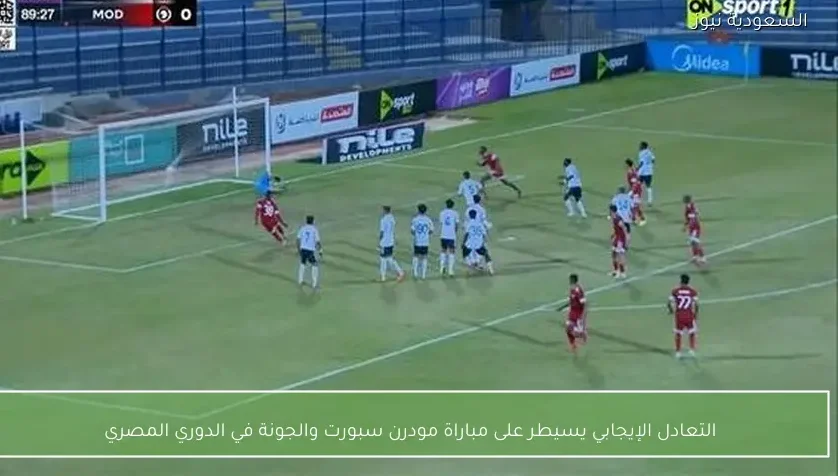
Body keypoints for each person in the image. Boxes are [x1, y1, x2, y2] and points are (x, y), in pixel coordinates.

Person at [667, 273, 699, 359]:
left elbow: (669, 302)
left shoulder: (675, 291)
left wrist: (671, 310)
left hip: (679, 315)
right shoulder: (692, 291)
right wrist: (696, 314)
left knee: (678, 333)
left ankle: (678, 352)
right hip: (689, 314)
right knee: (692, 332)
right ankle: (692, 350)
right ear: (688, 281)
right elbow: (696, 304)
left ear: (681, 280)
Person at [378, 206, 405, 282]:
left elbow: (382, 232)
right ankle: (400, 272)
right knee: (389, 258)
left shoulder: (383, 220)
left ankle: (384, 277)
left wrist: (379, 241)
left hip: (385, 242)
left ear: (384, 210)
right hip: (391, 241)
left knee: (383, 259)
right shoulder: (392, 218)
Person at [463, 208, 493, 274]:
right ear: (476, 215)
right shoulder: (480, 224)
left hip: (470, 245)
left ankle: (470, 265)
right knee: (486, 254)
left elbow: (466, 234)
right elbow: (484, 234)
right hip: (479, 244)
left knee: (465, 253)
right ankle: (490, 269)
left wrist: (463, 243)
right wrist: (484, 241)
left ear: (469, 216)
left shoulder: (468, 224)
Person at [410, 204, 434, 280]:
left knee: (416, 256)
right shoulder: (428, 220)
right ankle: (423, 275)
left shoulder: (415, 219)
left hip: (417, 241)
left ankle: (415, 273)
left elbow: (412, 231)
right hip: (425, 241)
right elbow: (431, 230)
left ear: (418, 210)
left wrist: (417, 234)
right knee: (424, 257)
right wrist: (426, 234)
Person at [296, 215, 321, 289]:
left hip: (303, 249)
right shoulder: (314, 229)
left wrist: (298, 249)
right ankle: (314, 284)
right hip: (310, 250)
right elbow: (317, 242)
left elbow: (298, 239)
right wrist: (320, 250)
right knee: (315, 265)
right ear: (313, 221)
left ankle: (300, 281)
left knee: (303, 263)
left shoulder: (302, 228)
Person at [565, 273, 587, 352]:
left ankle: (582, 334)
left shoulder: (578, 291)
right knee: (567, 329)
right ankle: (573, 345)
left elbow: (584, 304)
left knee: (575, 333)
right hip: (572, 313)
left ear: (574, 280)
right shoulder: (572, 289)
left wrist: (583, 315)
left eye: (571, 280)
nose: (570, 281)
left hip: (578, 314)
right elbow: (572, 301)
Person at [438, 199, 460, 276]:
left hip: (443, 234)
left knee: (443, 250)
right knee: (452, 252)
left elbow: (441, 223)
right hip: (451, 235)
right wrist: (454, 232)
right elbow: (456, 225)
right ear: (453, 205)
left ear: (446, 204)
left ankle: (442, 268)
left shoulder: (442, 213)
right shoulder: (455, 213)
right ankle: (450, 270)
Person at [683, 195, 705, 265]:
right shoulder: (687, 208)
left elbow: (696, 215)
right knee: (692, 242)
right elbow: (687, 219)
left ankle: (702, 257)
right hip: (692, 228)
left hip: (695, 227)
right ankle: (695, 256)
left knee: (695, 242)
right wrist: (685, 226)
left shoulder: (692, 206)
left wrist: (694, 216)